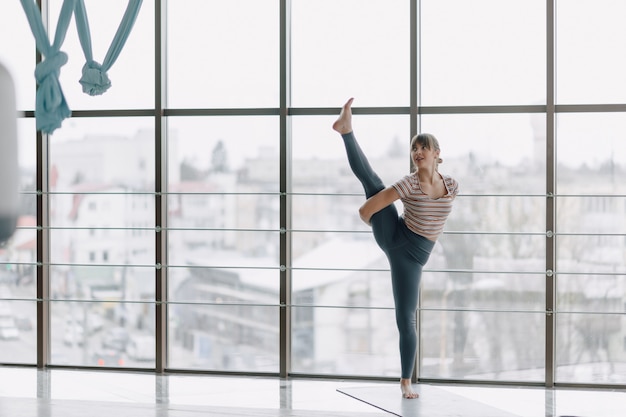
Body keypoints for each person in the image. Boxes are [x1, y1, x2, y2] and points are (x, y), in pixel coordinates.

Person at [332, 98, 459, 399]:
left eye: (423, 147)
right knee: (373, 182)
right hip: (396, 239)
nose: (417, 152)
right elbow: (368, 207)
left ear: (437, 154)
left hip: (415, 255)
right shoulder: (409, 183)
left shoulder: (452, 185)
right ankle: (346, 131)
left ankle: (345, 130)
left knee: (406, 316)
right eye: (414, 148)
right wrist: (370, 219)